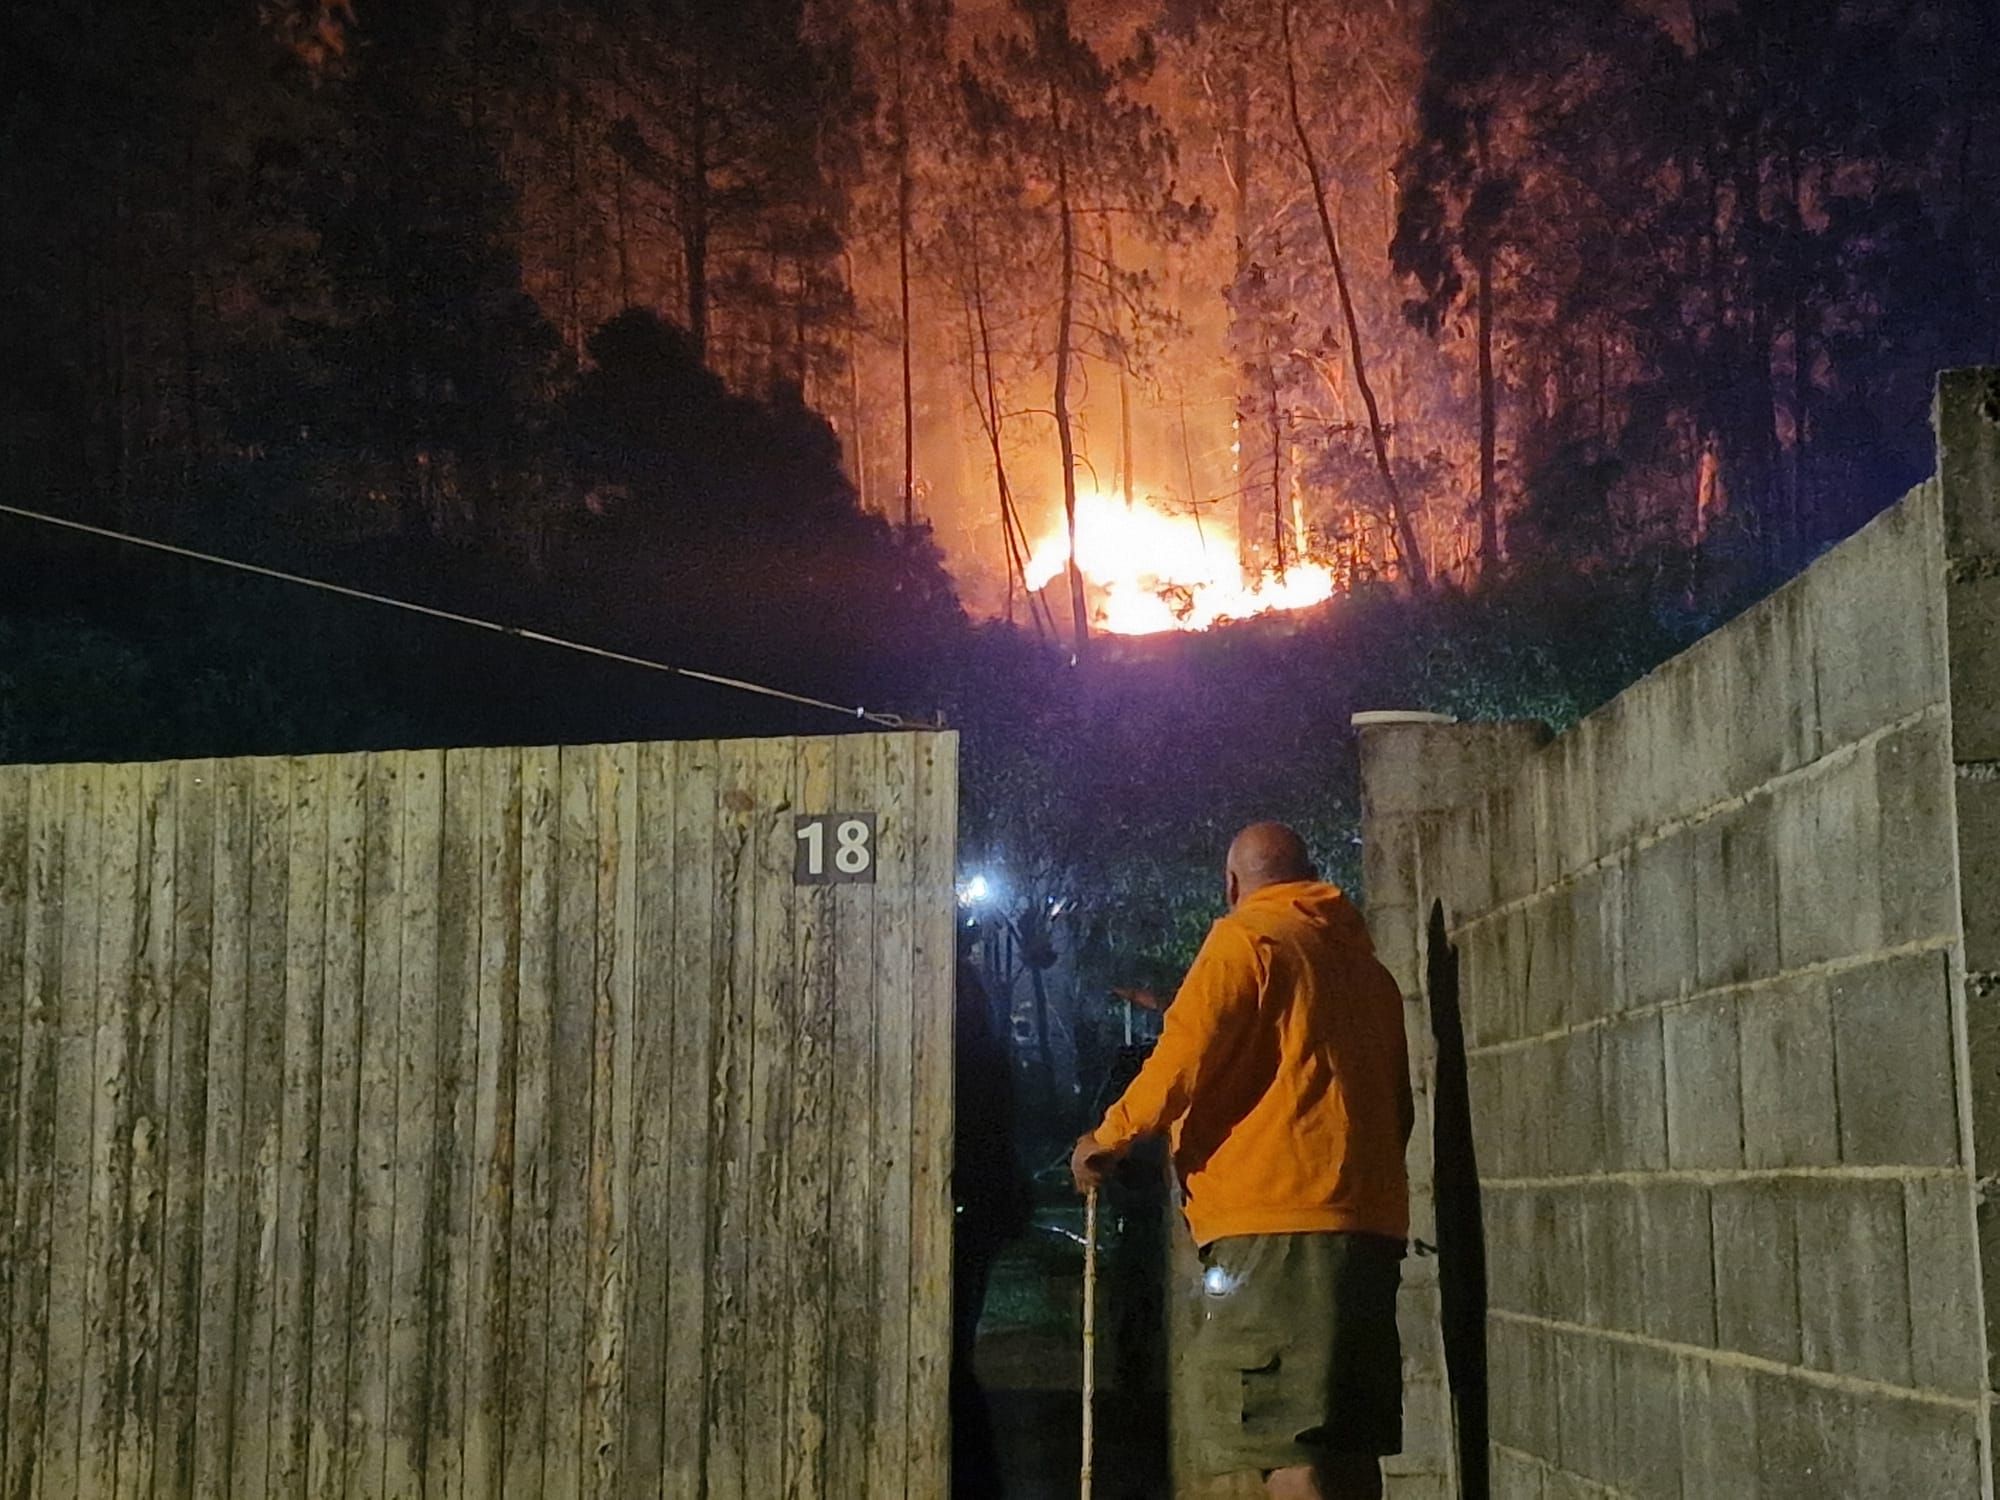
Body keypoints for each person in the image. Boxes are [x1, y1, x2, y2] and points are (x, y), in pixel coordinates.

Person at [1071, 823, 1414, 1500]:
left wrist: (1109, 1137)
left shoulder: (1245, 941)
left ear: (1231, 885)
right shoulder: (1367, 972)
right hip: (1368, 1226)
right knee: (1346, 1442)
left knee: (1283, 1445)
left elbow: (1184, 1056)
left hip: (1276, 1226)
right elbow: (1397, 1103)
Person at [953, 932, 1033, 1497]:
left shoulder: (966, 1057)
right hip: (981, 1209)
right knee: (955, 1353)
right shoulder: (985, 1050)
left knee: (951, 1358)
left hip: (970, 1210)